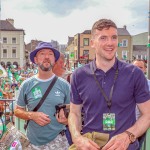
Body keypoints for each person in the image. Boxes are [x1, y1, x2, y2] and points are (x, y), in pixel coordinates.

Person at [68, 19, 150, 150]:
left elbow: (147, 114)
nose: (110, 43)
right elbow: (74, 113)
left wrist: (128, 135)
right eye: (103, 38)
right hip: (92, 146)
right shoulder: (79, 75)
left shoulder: (135, 74)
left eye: (114, 37)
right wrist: (77, 137)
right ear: (92, 43)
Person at [14, 42, 70, 150]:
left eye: (50, 54)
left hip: (59, 142)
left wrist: (67, 119)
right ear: (35, 60)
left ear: (54, 60)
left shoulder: (65, 86)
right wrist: (32, 115)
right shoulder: (26, 85)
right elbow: (17, 111)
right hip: (33, 143)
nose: (47, 57)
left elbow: (74, 113)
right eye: (42, 54)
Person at [133, 59, 150, 149]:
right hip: (125, 124)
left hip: (141, 125)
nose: (137, 69)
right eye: (135, 67)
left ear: (145, 69)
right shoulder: (124, 84)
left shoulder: (149, 85)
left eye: (140, 67)